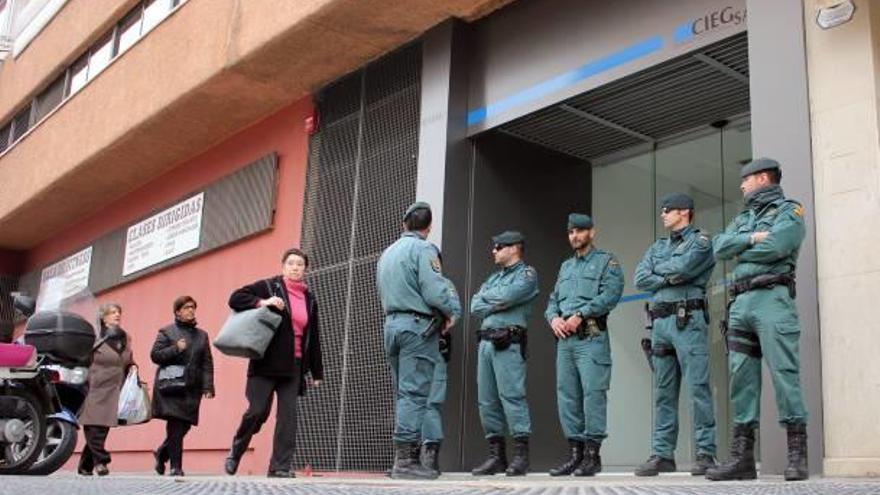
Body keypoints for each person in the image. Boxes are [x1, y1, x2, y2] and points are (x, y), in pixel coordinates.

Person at [707, 158, 809, 482]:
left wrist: (741, 250)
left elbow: (779, 245)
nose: (741, 185)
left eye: (745, 180)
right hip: (740, 303)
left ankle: (797, 457)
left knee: (784, 374)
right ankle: (742, 459)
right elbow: (719, 247)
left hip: (772, 300)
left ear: (762, 178)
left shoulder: (790, 211)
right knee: (741, 379)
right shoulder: (743, 219)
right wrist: (751, 239)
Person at [633, 193, 717, 476]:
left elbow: (686, 267)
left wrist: (662, 273)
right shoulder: (657, 246)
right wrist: (670, 276)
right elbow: (640, 277)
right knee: (663, 393)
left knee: (699, 389)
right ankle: (662, 454)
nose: (663, 215)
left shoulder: (701, 241)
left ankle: (706, 454)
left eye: (667, 211)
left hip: (687, 320)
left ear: (684, 212)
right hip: (660, 324)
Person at [377, 201, 461, 480]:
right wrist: (449, 312)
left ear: (405, 224)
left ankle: (402, 459)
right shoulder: (424, 249)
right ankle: (406, 462)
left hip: (391, 325)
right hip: (416, 327)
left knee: (403, 393)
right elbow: (435, 289)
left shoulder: (388, 253)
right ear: (429, 227)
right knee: (415, 394)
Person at [224, 248, 324, 478]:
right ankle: (236, 450)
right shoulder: (270, 286)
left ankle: (279, 466)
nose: (296, 268)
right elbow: (235, 298)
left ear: (305, 269)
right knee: (257, 411)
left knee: (288, 418)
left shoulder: (310, 299)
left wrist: (317, 372)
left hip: (294, 365)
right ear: (283, 266)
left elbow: (313, 336)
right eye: (291, 263)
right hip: (265, 362)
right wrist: (263, 301)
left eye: (300, 264)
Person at [545, 213, 623, 477]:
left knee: (593, 395)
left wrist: (582, 314)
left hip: (591, 338)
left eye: (579, 231)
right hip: (565, 341)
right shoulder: (566, 267)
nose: (574, 236)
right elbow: (553, 299)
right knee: (567, 397)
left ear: (592, 232)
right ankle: (575, 455)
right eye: (570, 232)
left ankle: (592, 455)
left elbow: (611, 294)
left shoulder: (606, 262)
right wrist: (553, 317)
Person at [469, 231, 539, 477]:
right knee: (486, 400)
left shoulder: (527, 274)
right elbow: (474, 306)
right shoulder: (492, 279)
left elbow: (512, 295)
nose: (494, 251)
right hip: (486, 344)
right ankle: (496, 456)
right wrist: (497, 301)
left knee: (512, 396)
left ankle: (522, 456)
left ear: (514, 248)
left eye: (499, 247)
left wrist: (494, 300)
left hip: (508, 342)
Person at [150, 296, 215, 477]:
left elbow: (207, 363)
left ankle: (162, 453)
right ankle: (175, 467)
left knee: (184, 426)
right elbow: (155, 355)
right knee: (176, 426)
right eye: (186, 307)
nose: (191, 310)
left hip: (192, 388)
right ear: (177, 311)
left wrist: (208, 387)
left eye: (193, 307)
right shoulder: (167, 331)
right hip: (172, 386)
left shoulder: (202, 335)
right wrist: (175, 349)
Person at [77, 302, 134, 476]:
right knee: (95, 426)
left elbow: (128, 359)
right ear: (103, 317)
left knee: (102, 427)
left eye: (118, 312)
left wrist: (133, 366)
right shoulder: (95, 338)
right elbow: (82, 360)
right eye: (112, 312)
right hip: (96, 386)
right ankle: (102, 461)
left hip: (115, 387)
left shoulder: (125, 337)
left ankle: (85, 465)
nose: (117, 315)